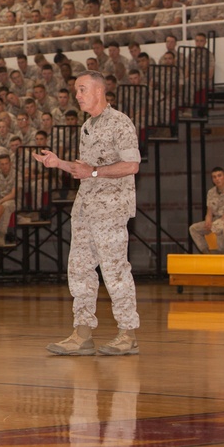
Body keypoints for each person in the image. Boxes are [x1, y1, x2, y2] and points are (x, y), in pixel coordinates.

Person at [33, 71, 141, 356]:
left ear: (99, 91)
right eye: (76, 90)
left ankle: (127, 334)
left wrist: (93, 171)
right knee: (79, 269)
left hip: (111, 209)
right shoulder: (87, 127)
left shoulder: (120, 122)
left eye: (82, 89)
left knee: (115, 270)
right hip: (85, 209)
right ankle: (82, 334)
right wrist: (59, 163)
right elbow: (84, 169)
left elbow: (132, 165)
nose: (77, 95)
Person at [188, 167, 224, 253]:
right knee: (193, 228)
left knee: (218, 226)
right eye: (214, 177)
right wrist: (208, 220)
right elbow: (209, 211)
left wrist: (218, 221)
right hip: (216, 219)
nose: (217, 179)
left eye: (219, 176)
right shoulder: (211, 192)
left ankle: (223, 254)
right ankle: (207, 254)